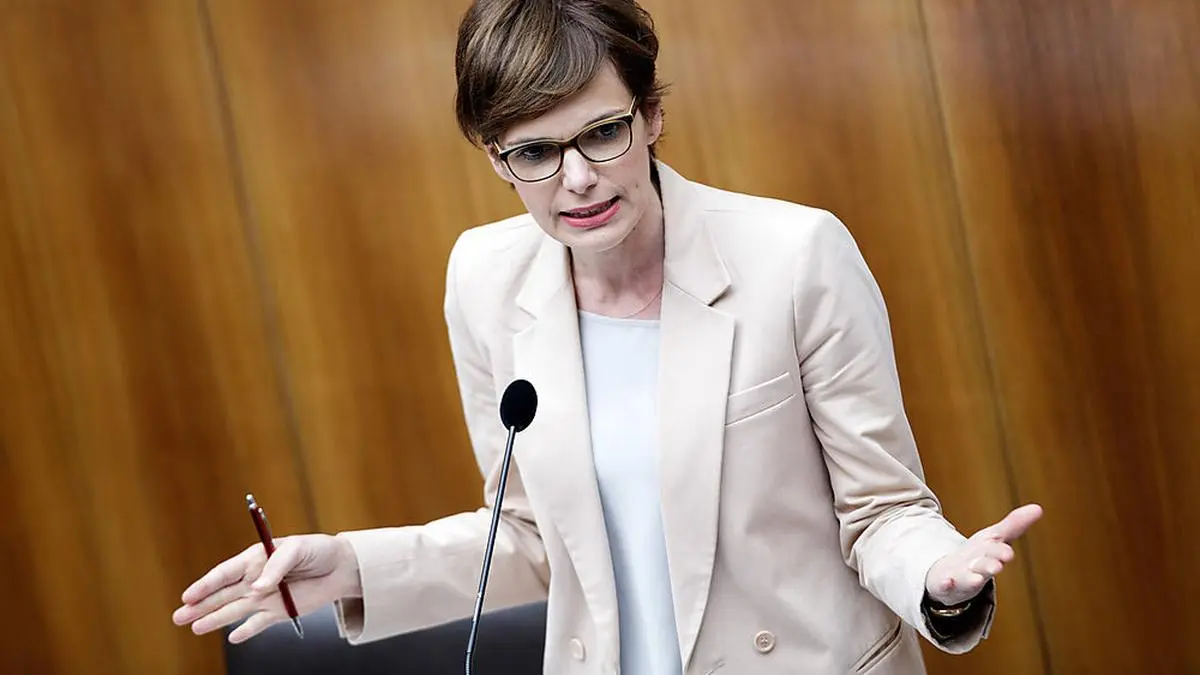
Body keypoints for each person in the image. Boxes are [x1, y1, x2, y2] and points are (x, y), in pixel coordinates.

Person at [173, 0, 1043, 673]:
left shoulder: (795, 256)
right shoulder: (484, 279)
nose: (578, 179)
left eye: (602, 132)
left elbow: (882, 511)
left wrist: (938, 577)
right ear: (495, 156)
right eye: (534, 153)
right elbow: (529, 537)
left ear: (651, 114)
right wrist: (351, 566)